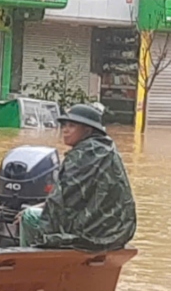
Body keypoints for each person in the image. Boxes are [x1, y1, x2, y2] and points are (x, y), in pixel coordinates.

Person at [19, 104, 137, 251]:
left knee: (29, 217)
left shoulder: (82, 155)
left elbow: (62, 205)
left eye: (72, 126)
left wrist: (36, 211)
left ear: (87, 130)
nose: (65, 130)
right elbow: (73, 197)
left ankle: (31, 268)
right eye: (65, 125)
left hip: (90, 235)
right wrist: (43, 206)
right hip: (117, 232)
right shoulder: (106, 148)